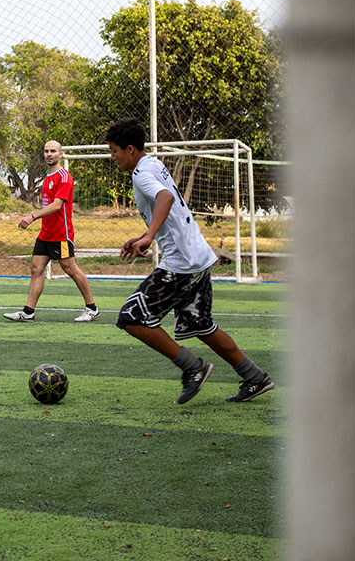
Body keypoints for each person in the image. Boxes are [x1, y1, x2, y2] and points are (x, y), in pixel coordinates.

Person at [104, 117, 274, 403]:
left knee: (131, 317)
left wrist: (149, 236)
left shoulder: (140, 173)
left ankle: (192, 367)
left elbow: (165, 198)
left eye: (114, 151)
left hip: (180, 264)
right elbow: (168, 208)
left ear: (130, 149)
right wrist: (144, 236)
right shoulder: (154, 163)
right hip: (198, 256)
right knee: (200, 325)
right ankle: (254, 376)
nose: (113, 157)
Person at [3, 140, 99, 323]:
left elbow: (57, 206)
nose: (49, 154)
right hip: (45, 233)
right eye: (46, 151)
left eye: (53, 151)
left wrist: (32, 216)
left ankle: (92, 308)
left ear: (60, 154)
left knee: (69, 268)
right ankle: (28, 312)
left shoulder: (64, 177)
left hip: (61, 234)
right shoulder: (47, 178)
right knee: (36, 268)